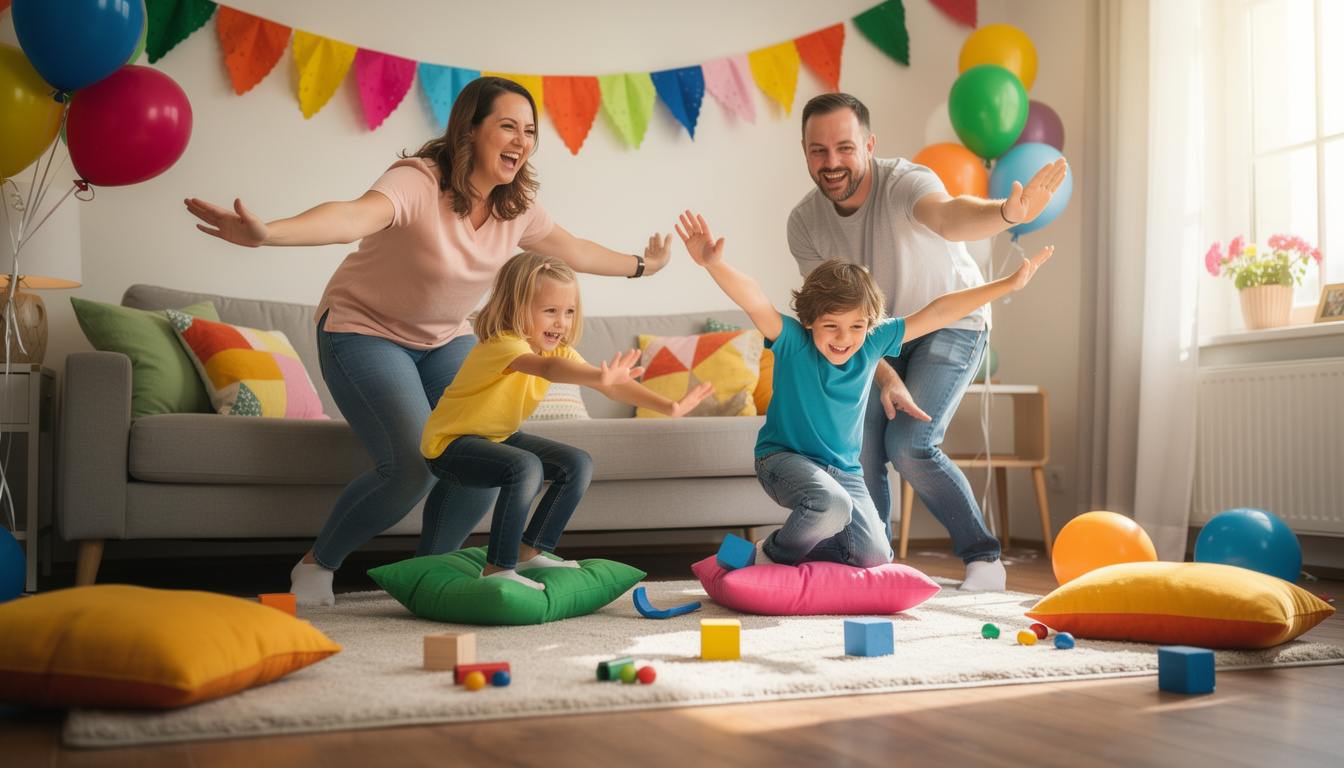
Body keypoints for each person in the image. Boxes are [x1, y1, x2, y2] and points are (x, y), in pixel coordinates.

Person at [185, 76, 673, 606]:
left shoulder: (516, 207)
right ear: (471, 128)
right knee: (415, 464)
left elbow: (575, 251)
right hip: (362, 330)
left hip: (445, 340)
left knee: (482, 453)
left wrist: (645, 265)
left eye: (529, 131)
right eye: (507, 126)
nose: (521, 141)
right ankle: (316, 565)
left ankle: (427, 576)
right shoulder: (419, 182)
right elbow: (351, 216)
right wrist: (269, 233)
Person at [787, 93, 1068, 590]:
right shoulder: (804, 223)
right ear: (805, 152)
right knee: (861, 448)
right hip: (878, 341)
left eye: (845, 148)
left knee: (910, 443)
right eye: (817, 151)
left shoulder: (904, 182)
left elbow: (949, 215)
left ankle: (984, 557)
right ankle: (871, 562)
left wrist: (1006, 213)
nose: (831, 163)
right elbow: (833, 321)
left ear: (869, 145)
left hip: (949, 321)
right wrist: (886, 374)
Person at [676, 210, 1054, 570]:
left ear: (870, 324)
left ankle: (780, 547)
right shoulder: (792, 339)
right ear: (808, 320)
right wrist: (714, 264)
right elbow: (754, 298)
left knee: (875, 555)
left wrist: (1008, 283)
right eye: (831, 326)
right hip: (782, 459)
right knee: (831, 505)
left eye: (856, 326)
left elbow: (938, 312)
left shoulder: (873, 342)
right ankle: (770, 555)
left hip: (844, 471)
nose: (844, 339)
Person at [419, 252, 713, 589]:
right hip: (449, 445)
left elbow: (613, 387)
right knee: (525, 467)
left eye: (569, 312)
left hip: (496, 438)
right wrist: (600, 377)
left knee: (577, 463)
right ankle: (498, 568)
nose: (561, 323)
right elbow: (546, 369)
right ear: (516, 308)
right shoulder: (503, 344)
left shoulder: (556, 350)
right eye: (550, 311)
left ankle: (530, 552)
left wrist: (670, 406)